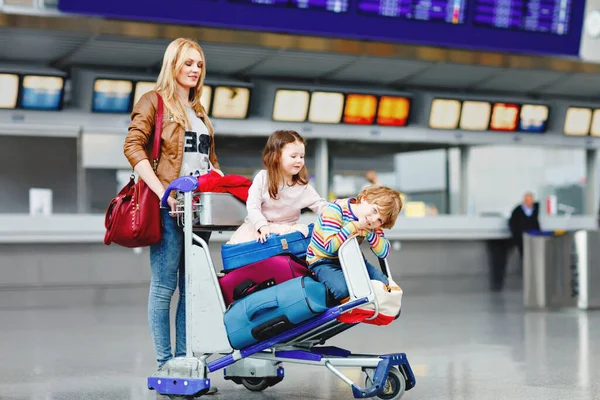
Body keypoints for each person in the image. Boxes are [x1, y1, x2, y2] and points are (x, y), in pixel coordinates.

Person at [123, 38, 220, 388]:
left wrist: (222, 182)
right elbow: (133, 146)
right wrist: (163, 191)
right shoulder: (153, 102)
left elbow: (207, 161)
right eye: (188, 63)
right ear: (173, 64)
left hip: (198, 212)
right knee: (164, 287)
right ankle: (166, 363)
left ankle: (186, 360)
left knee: (191, 289)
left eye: (199, 65)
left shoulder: (200, 111)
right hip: (169, 210)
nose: (194, 70)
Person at [228, 130, 328, 244]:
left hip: (287, 234)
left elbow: (322, 207)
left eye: (302, 156)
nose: (299, 160)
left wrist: (342, 213)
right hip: (258, 231)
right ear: (276, 157)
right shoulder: (262, 178)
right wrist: (262, 226)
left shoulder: (302, 187)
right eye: (293, 156)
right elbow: (253, 207)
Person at [307, 185, 403, 303]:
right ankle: (354, 308)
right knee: (343, 291)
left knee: (383, 285)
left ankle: (370, 306)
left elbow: (384, 252)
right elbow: (329, 247)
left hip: (351, 259)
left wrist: (370, 234)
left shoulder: (370, 224)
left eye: (380, 220)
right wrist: (353, 226)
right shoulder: (336, 210)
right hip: (322, 260)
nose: (373, 219)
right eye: (375, 210)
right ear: (364, 198)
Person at [508, 192, 540, 259]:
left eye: (530, 200)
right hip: (522, 238)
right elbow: (512, 223)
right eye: (526, 200)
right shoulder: (517, 210)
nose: (528, 202)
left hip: (535, 237)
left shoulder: (537, 209)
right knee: (525, 256)